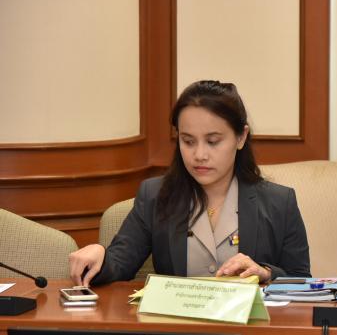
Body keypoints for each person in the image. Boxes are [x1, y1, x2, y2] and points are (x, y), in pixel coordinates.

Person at [69, 80, 311, 286]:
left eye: (213, 141)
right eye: (188, 141)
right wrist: (100, 255)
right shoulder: (155, 195)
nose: (199, 155)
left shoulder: (280, 202)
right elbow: (119, 264)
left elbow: (302, 281)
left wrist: (266, 273)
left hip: (251, 326)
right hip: (178, 326)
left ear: (241, 137)